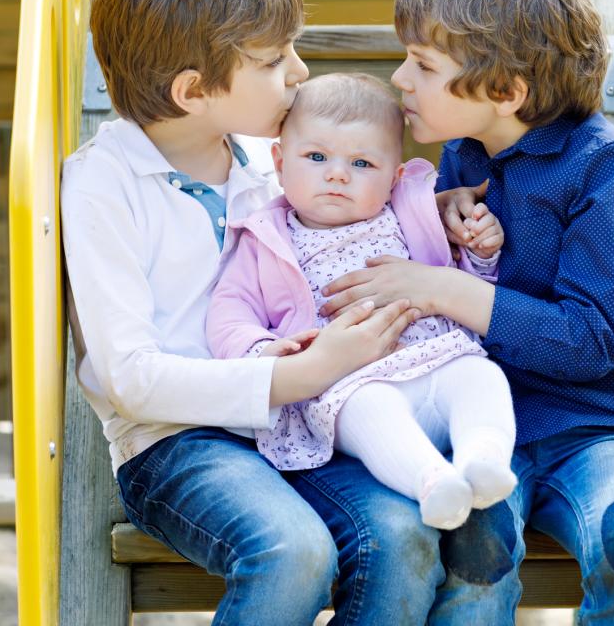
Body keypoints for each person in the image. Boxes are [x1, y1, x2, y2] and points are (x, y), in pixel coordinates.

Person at [61, 0, 451, 625]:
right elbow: (131, 379)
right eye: (275, 61)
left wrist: (445, 211)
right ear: (192, 91)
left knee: (403, 536)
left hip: (306, 424)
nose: (300, 73)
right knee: (293, 551)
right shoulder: (103, 184)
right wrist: (296, 375)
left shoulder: (268, 162)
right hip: (177, 443)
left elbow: (364, 210)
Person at [320, 0, 614, 624]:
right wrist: (430, 217)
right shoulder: (461, 157)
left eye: (423, 65)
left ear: (506, 91)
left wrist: (438, 284)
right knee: (472, 553)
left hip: (594, 427)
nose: (400, 79)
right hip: (482, 425)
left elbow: (588, 342)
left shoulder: (605, 171)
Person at [208, 73, 517, 531]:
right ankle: (432, 482)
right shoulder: (265, 238)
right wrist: (262, 352)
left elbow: (457, 282)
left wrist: (479, 252)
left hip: (440, 360)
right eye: (316, 157)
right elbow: (230, 310)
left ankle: (482, 459)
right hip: (352, 384)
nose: (337, 174)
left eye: (361, 164)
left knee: (483, 376)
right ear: (279, 161)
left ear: (393, 177)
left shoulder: (410, 213)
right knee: (369, 413)